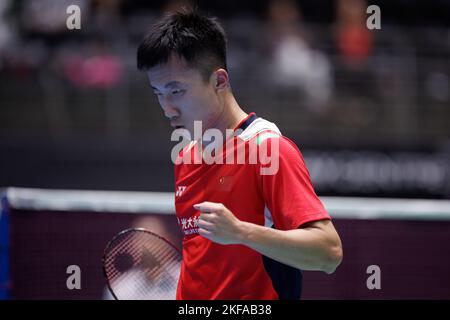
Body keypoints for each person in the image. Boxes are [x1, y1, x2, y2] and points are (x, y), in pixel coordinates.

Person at [137, 10, 343, 300]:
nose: (166, 108)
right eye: (158, 93)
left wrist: (241, 232)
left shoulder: (268, 149)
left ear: (219, 81)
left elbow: (329, 253)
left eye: (176, 91)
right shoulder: (185, 155)